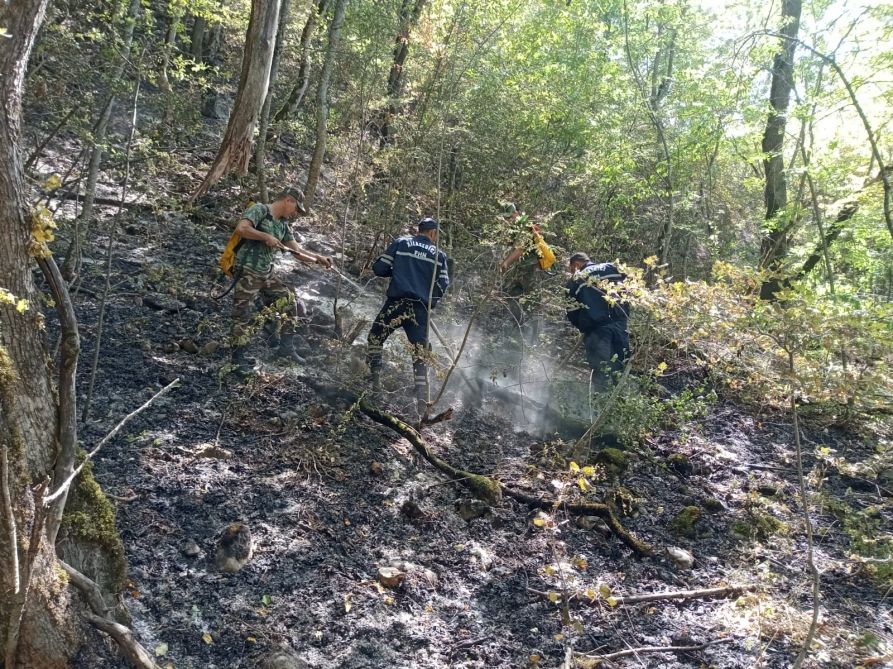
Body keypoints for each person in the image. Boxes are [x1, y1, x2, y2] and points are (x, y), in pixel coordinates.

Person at [230, 188, 332, 373]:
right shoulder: (260, 210)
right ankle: (237, 360)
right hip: (247, 271)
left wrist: (318, 259)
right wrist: (265, 236)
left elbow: (297, 252)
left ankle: (285, 348)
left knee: (290, 302)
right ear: (288, 200)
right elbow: (241, 228)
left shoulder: (283, 224)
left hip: (266, 274)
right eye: (295, 208)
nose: (294, 213)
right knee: (242, 315)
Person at [366, 217, 450, 418]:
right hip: (420, 310)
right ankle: (422, 400)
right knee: (420, 352)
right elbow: (444, 283)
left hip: (396, 303)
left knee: (375, 338)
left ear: (419, 230)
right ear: (433, 233)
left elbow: (379, 268)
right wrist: (431, 302)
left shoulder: (401, 243)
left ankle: (375, 383)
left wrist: (397, 271)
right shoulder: (439, 255)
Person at [565, 252, 630, 389]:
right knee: (619, 368)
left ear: (576, 264)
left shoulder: (575, 280)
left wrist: (584, 326)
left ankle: (600, 406)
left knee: (600, 371)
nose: (571, 272)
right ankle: (617, 404)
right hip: (620, 326)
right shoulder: (612, 267)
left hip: (596, 331)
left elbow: (572, 312)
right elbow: (631, 286)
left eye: (571, 269)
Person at [498, 202, 551, 334]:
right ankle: (517, 329)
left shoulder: (523, 226)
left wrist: (506, 263)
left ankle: (532, 338)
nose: (507, 220)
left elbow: (521, 249)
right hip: (519, 271)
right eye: (505, 218)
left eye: (509, 217)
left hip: (530, 271)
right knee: (511, 295)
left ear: (516, 213)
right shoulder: (514, 228)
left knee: (532, 303)